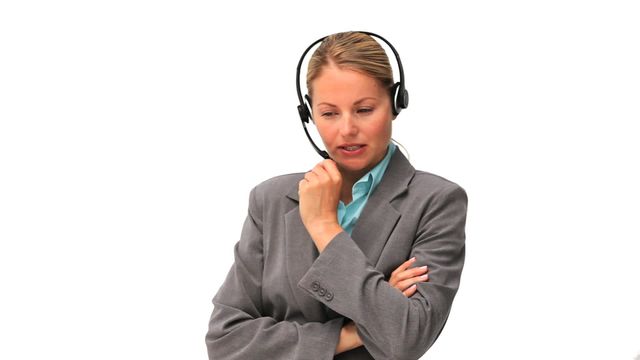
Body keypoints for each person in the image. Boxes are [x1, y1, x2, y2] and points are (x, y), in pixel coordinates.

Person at [205, 31, 468, 360]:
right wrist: (355, 331)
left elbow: (407, 337)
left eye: (364, 110)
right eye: (329, 113)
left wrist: (324, 226)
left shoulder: (437, 201)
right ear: (309, 115)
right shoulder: (269, 199)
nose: (346, 129)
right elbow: (225, 340)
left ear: (396, 105)